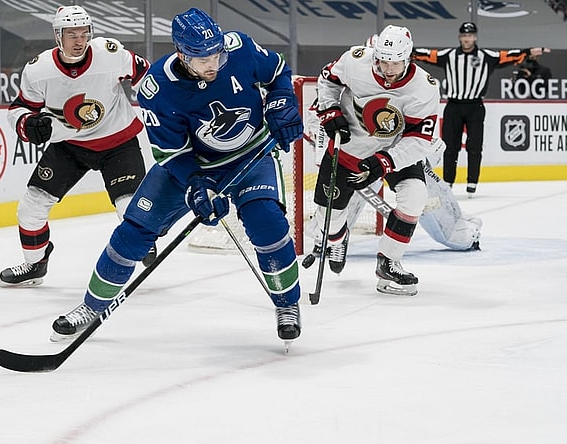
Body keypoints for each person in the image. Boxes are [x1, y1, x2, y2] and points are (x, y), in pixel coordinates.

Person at [49, 8, 304, 346]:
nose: (213, 63)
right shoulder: (158, 88)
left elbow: (277, 73)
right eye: (202, 59)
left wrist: (281, 101)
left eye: (217, 54)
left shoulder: (239, 47)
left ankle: (287, 305)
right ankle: (92, 306)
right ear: (183, 55)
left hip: (249, 155)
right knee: (134, 230)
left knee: (267, 223)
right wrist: (197, 186)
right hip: (191, 164)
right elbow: (173, 154)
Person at [0, 6, 154, 287]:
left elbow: (147, 76)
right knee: (31, 206)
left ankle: (141, 241)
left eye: (84, 33)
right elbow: (20, 108)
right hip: (69, 145)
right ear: (58, 36)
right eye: (72, 34)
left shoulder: (109, 53)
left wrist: (163, 108)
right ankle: (35, 264)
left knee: (128, 206)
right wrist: (27, 124)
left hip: (117, 141)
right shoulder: (39, 70)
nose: (79, 40)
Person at [313, 24, 440, 296]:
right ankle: (338, 237)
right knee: (329, 220)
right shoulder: (355, 61)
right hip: (349, 148)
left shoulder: (424, 87)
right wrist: (330, 110)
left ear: (409, 58)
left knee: (415, 194)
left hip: (394, 149)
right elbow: (327, 80)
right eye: (383, 61)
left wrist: (386, 161)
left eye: (395, 63)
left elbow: (420, 139)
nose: (388, 69)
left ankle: (389, 262)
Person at [413, 22, 550, 197]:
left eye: (469, 36)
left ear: (475, 37)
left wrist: (528, 51)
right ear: (460, 37)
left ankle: (472, 182)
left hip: (475, 106)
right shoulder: (449, 55)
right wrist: (407, 50)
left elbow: (509, 56)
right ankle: (448, 183)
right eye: (463, 36)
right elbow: (426, 55)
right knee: (450, 147)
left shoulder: (487, 56)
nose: (466, 39)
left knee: (475, 146)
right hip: (454, 105)